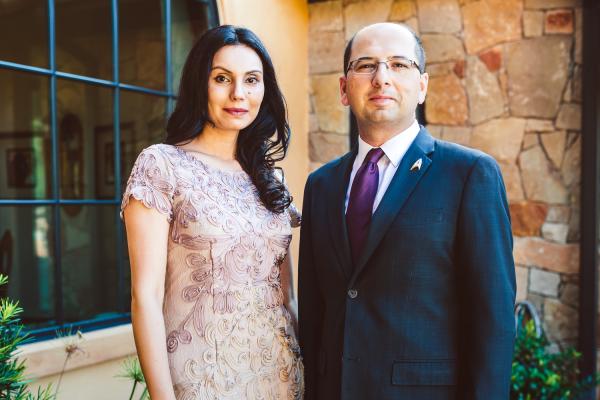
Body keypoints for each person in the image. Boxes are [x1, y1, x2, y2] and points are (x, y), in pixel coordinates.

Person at [298, 22, 516, 400]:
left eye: (399, 65)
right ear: (344, 88)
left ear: (423, 86)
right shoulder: (321, 186)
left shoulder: (469, 175)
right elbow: (316, 313)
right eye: (365, 65)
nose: (381, 78)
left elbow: (492, 320)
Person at [122, 25, 303, 400]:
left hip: (281, 375)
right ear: (198, 84)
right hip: (204, 378)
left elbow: (287, 296)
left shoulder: (269, 178)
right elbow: (146, 297)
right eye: (222, 78)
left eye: (252, 80)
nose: (239, 94)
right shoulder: (162, 165)